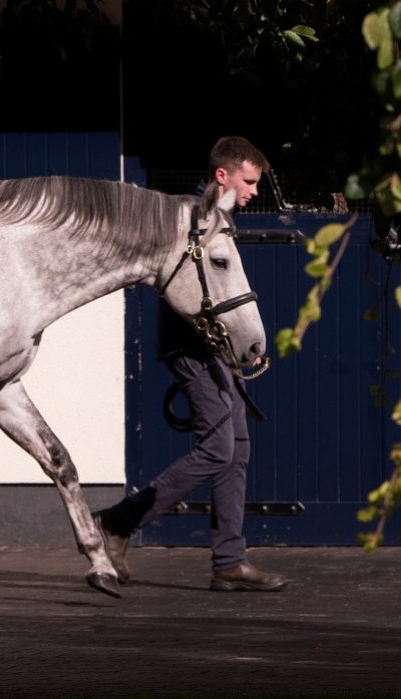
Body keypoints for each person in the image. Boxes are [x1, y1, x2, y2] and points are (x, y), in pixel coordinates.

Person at [94, 136, 290, 592]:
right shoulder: (192, 216)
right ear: (222, 176)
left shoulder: (220, 218)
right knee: (219, 447)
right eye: (249, 181)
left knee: (237, 446)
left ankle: (228, 560)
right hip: (188, 346)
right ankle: (119, 522)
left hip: (214, 349)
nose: (254, 191)